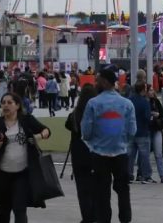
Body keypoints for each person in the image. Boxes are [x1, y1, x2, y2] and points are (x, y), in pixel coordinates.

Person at [0, 92, 51, 223]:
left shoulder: (27, 120)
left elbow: (46, 130)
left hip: (22, 173)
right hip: (1, 174)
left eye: (9, 102)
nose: (6, 105)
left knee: (19, 208)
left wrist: (38, 136)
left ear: (17, 105)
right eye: (3, 103)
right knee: (4, 209)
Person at [81, 67, 137, 223]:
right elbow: (132, 130)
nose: (96, 83)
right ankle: (125, 218)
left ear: (104, 82)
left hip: (99, 153)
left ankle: (104, 219)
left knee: (102, 193)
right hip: (120, 152)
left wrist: (93, 141)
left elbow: (86, 131)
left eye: (98, 81)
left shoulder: (93, 103)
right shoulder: (127, 104)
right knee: (123, 190)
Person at [66, 84, 98, 223]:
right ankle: (95, 214)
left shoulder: (75, 114)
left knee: (82, 189)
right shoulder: (97, 112)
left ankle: (86, 217)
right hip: (95, 153)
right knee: (95, 187)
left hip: (79, 154)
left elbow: (67, 125)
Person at [127, 82, 153, 183]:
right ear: (143, 89)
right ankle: (145, 175)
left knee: (130, 155)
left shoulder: (129, 101)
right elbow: (147, 117)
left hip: (130, 131)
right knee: (144, 155)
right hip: (142, 131)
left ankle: (128, 174)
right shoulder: (144, 102)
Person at [147, 85, 163, 183]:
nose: (152, 92)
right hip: (147, 130)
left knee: (159, 153)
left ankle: (162, 175)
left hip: (156, 129)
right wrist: (150, 114)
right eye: (150, 90)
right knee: (146, 154)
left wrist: (157, 114)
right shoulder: (145, 102)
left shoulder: (156, 101)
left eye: (152, 90)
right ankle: (147, 175)